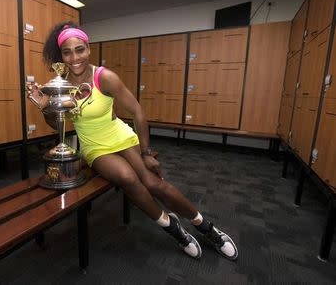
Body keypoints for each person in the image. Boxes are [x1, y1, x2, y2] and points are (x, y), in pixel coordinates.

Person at [28, 21, 238, 261]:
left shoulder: (104, 77)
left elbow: (137, 111)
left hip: (120, 135)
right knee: (129, 179)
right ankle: (173, 228)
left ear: (88, 49)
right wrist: (45, 108)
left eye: (80, 50)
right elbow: (60, 125)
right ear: (62, 56)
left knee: (154, 183)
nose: (74, 57)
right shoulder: (61, 84)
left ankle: (207, 228)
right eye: (67, 52)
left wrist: (147, 152)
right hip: (94, 146)